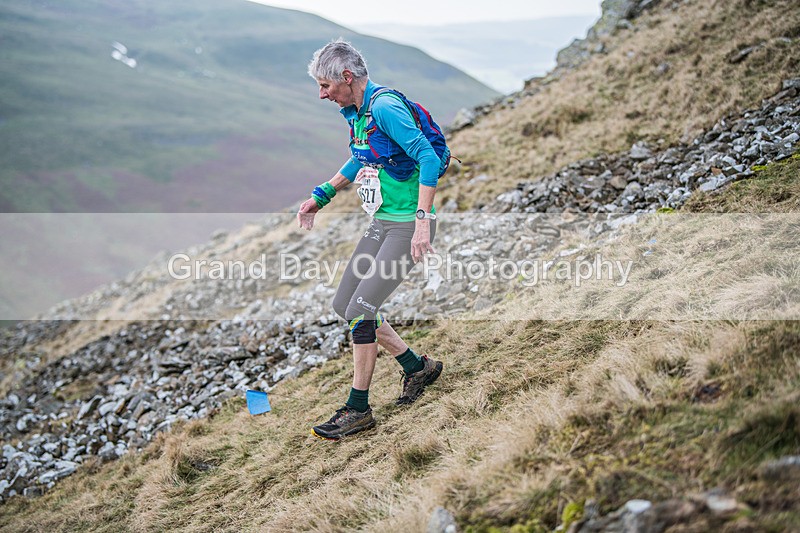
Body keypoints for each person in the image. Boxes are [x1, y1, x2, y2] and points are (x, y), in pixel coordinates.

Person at [298, 39, 449, 440]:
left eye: (325, 85)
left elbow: (428, 158)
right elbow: (361, 156)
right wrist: (322, 196)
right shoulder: (357, 113)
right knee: (344, 305)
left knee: (363, 309)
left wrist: (422, 222)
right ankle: (419, 368)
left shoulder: (384, 107)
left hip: (407, 225)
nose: (321, 94)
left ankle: (358, 408)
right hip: (382, 222)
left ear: (347, 77)